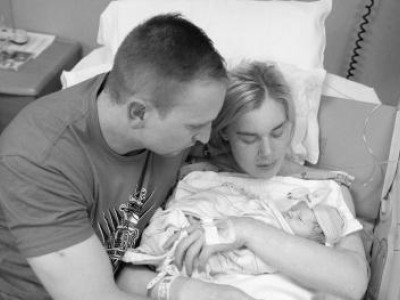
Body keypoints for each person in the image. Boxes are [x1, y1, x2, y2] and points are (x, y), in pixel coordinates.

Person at [0, 13, 261, 300]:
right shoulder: (39, 160)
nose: (206, 137)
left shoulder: (176, 109)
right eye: (195, 126)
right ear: (138, 113)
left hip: (124, 273)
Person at [118, 61, 369, 300]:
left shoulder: (324, 191)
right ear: (225, 132)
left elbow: (354, 282)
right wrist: (203, 293)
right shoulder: (195, 179)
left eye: (277, 131)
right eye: (250, 138)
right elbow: (127, 278)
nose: (267, 152)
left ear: (291, 124)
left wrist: (244, 230)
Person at [122, 179, 349, 279]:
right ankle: (164, 238)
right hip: (212, 219)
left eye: (298, 220)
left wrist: (212, 231)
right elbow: (247, 207)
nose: (291, 213)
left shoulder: (279, 248)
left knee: (190, 249)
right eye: (295, 210)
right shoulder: (273, 212)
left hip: (222, 246)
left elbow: (248, 260)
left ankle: (156, 254)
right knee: (184, 214)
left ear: (309, 242)